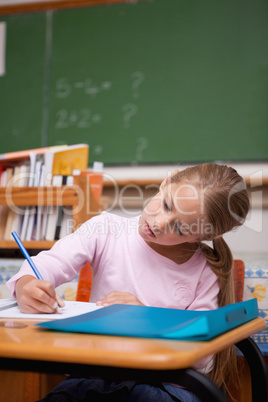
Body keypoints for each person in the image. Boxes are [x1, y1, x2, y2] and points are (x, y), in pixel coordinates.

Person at [7, 163, 250, 401]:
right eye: (165, 205)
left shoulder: (205, 271)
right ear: (167, 181)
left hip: (167, 385)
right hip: (99, 375)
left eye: (179, 227)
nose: (159, 223)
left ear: (206, 235)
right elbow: (53, 261)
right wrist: (26, 282)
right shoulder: (105, 229)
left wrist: (145, 321)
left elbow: (200, 353)